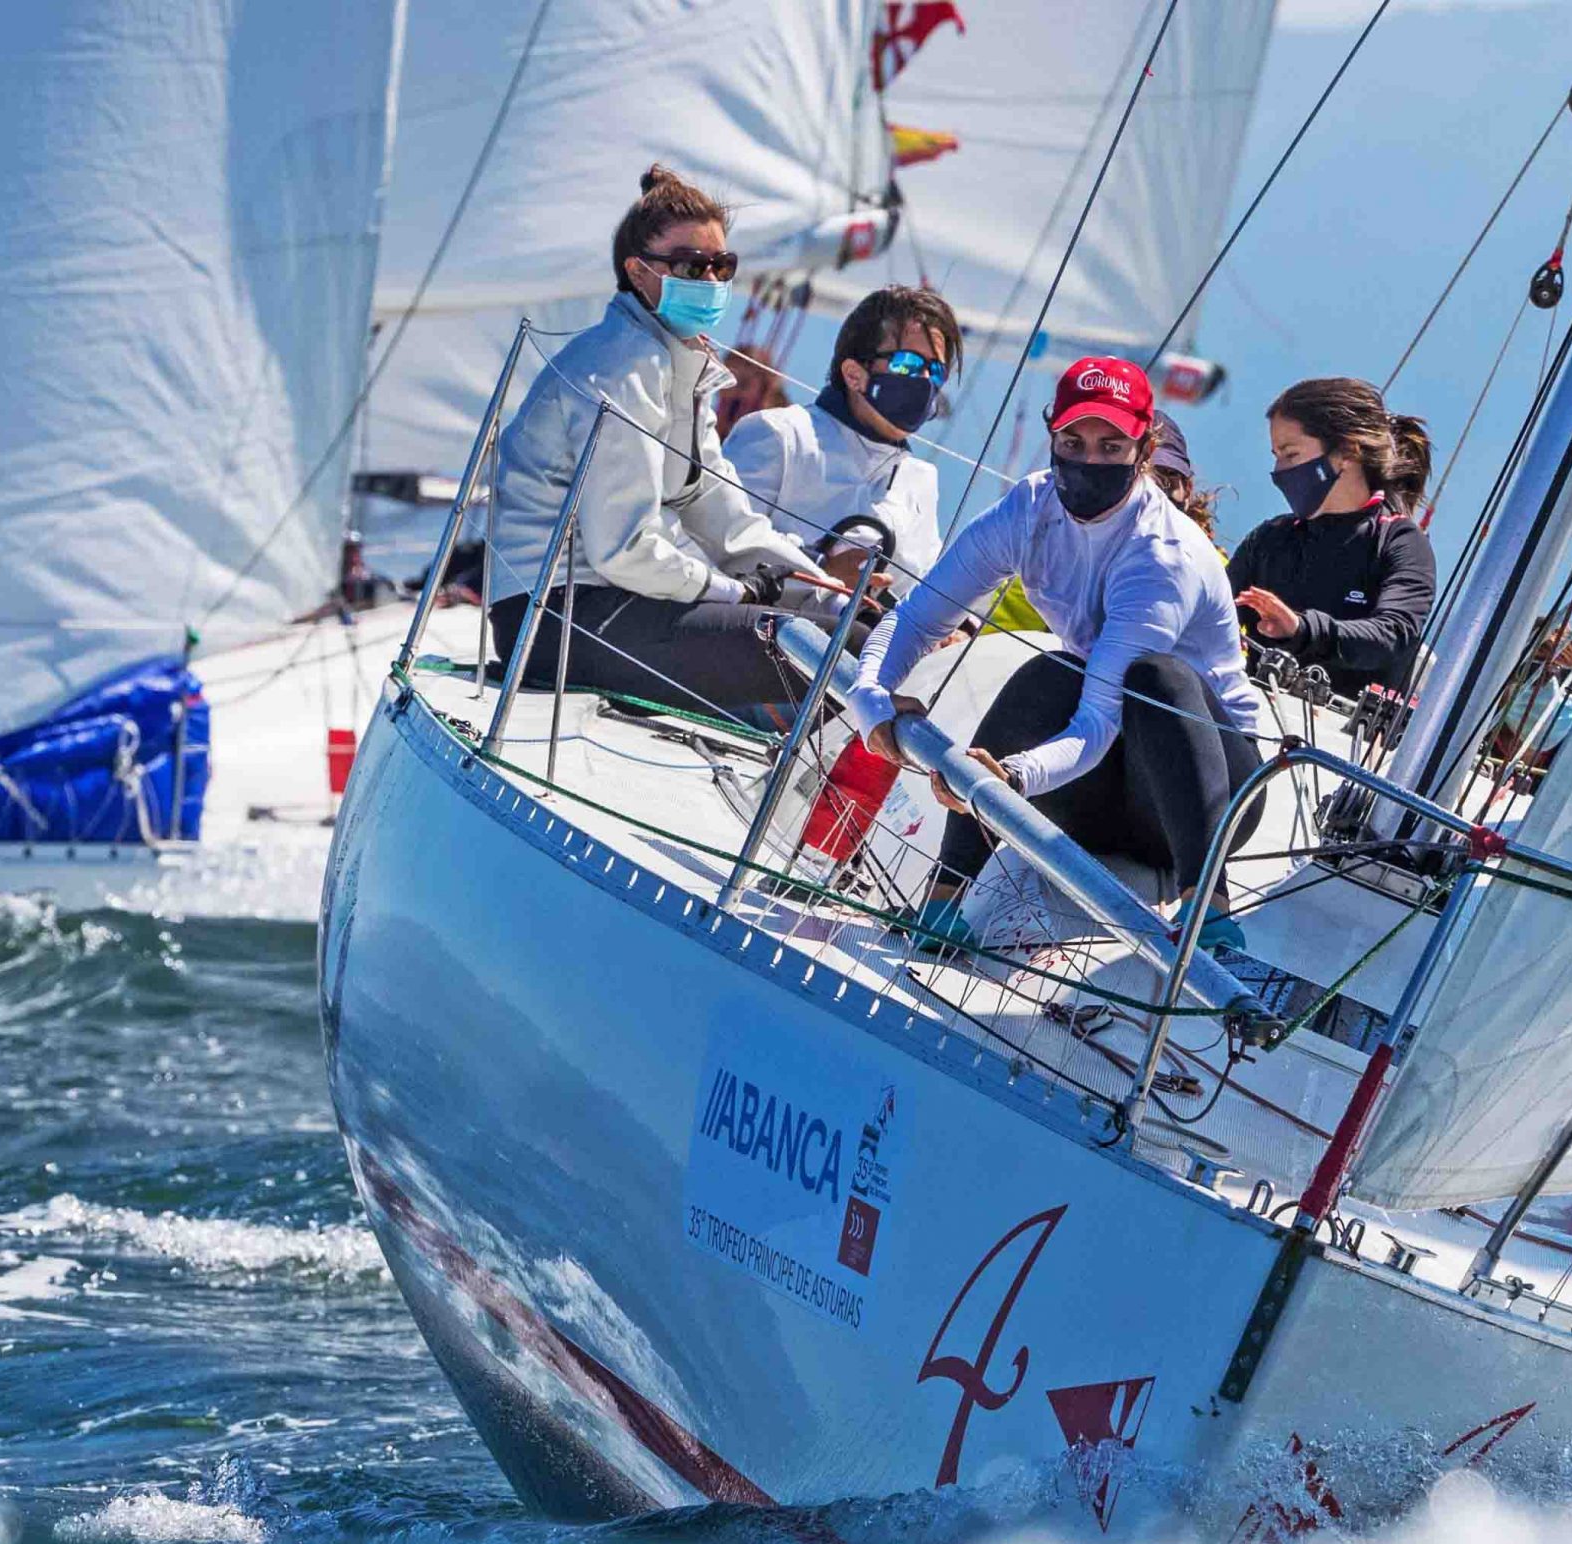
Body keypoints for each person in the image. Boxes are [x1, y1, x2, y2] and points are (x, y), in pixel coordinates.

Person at [850, 357, 1275, 953]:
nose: (1089, 460)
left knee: (1155, 677)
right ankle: (943, 906)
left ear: (1145, 447)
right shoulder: (1030, 509)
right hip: (1102, 794)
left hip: (1207, 796)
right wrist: (872, 706)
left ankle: (1209, 907)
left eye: (1111, 445)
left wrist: (1009, 779)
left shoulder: (1162, 555)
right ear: (1053, 436)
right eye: (1073, 441)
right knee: (1050, 672)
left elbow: (1099, 721)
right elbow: (919, 616)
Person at [487, 165, 825, 729]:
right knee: (824, 655)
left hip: (610, 605)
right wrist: (736, 594)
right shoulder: (624, 365)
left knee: (845, 636)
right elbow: (624, 548)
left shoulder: (680, 367)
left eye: (723, 266)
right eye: (693, 266)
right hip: (557, 616)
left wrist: (819, 588)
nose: (712, 280)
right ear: (638, 273)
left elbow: (720, 513)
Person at [724, 285, 957, 614]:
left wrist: (951, 629)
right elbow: (719, 540)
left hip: (862, 655)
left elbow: (916, 592)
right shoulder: (779, 434)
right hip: (759, 641)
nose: (924, 379)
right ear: (854, 374)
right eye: (907, 363)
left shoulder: (921, 482)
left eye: (935, 371)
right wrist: (820, 572)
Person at [1226, 377, 1436, 694]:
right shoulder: (1270, 541)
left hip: (1349, 738)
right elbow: (1211, 614)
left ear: (1347, 452)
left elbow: (1393, 634)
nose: (1278, 470)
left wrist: (1302, 629)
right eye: (1276, 455)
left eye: (1290, 454)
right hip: (1253, 722)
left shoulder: (1399, 542)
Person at [1148, 413, 1218, 545]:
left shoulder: (1212, 562)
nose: (1153, 489)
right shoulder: (1099, 556)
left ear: (1187, 488)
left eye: (1167, 475)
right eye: (1141, 475)